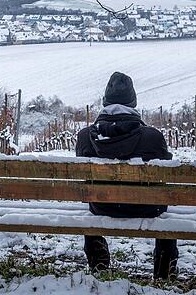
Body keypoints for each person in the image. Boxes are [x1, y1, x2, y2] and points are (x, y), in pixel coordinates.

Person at [75, 72, 178, 280]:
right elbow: (164, 175)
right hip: (149, 207)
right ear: (134, 102)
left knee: (92, 193)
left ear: (105, 101)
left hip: (101, 205)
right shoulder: (153, 137)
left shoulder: (85, 137)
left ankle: (99, 265)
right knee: (163, 199)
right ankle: (164, 272)